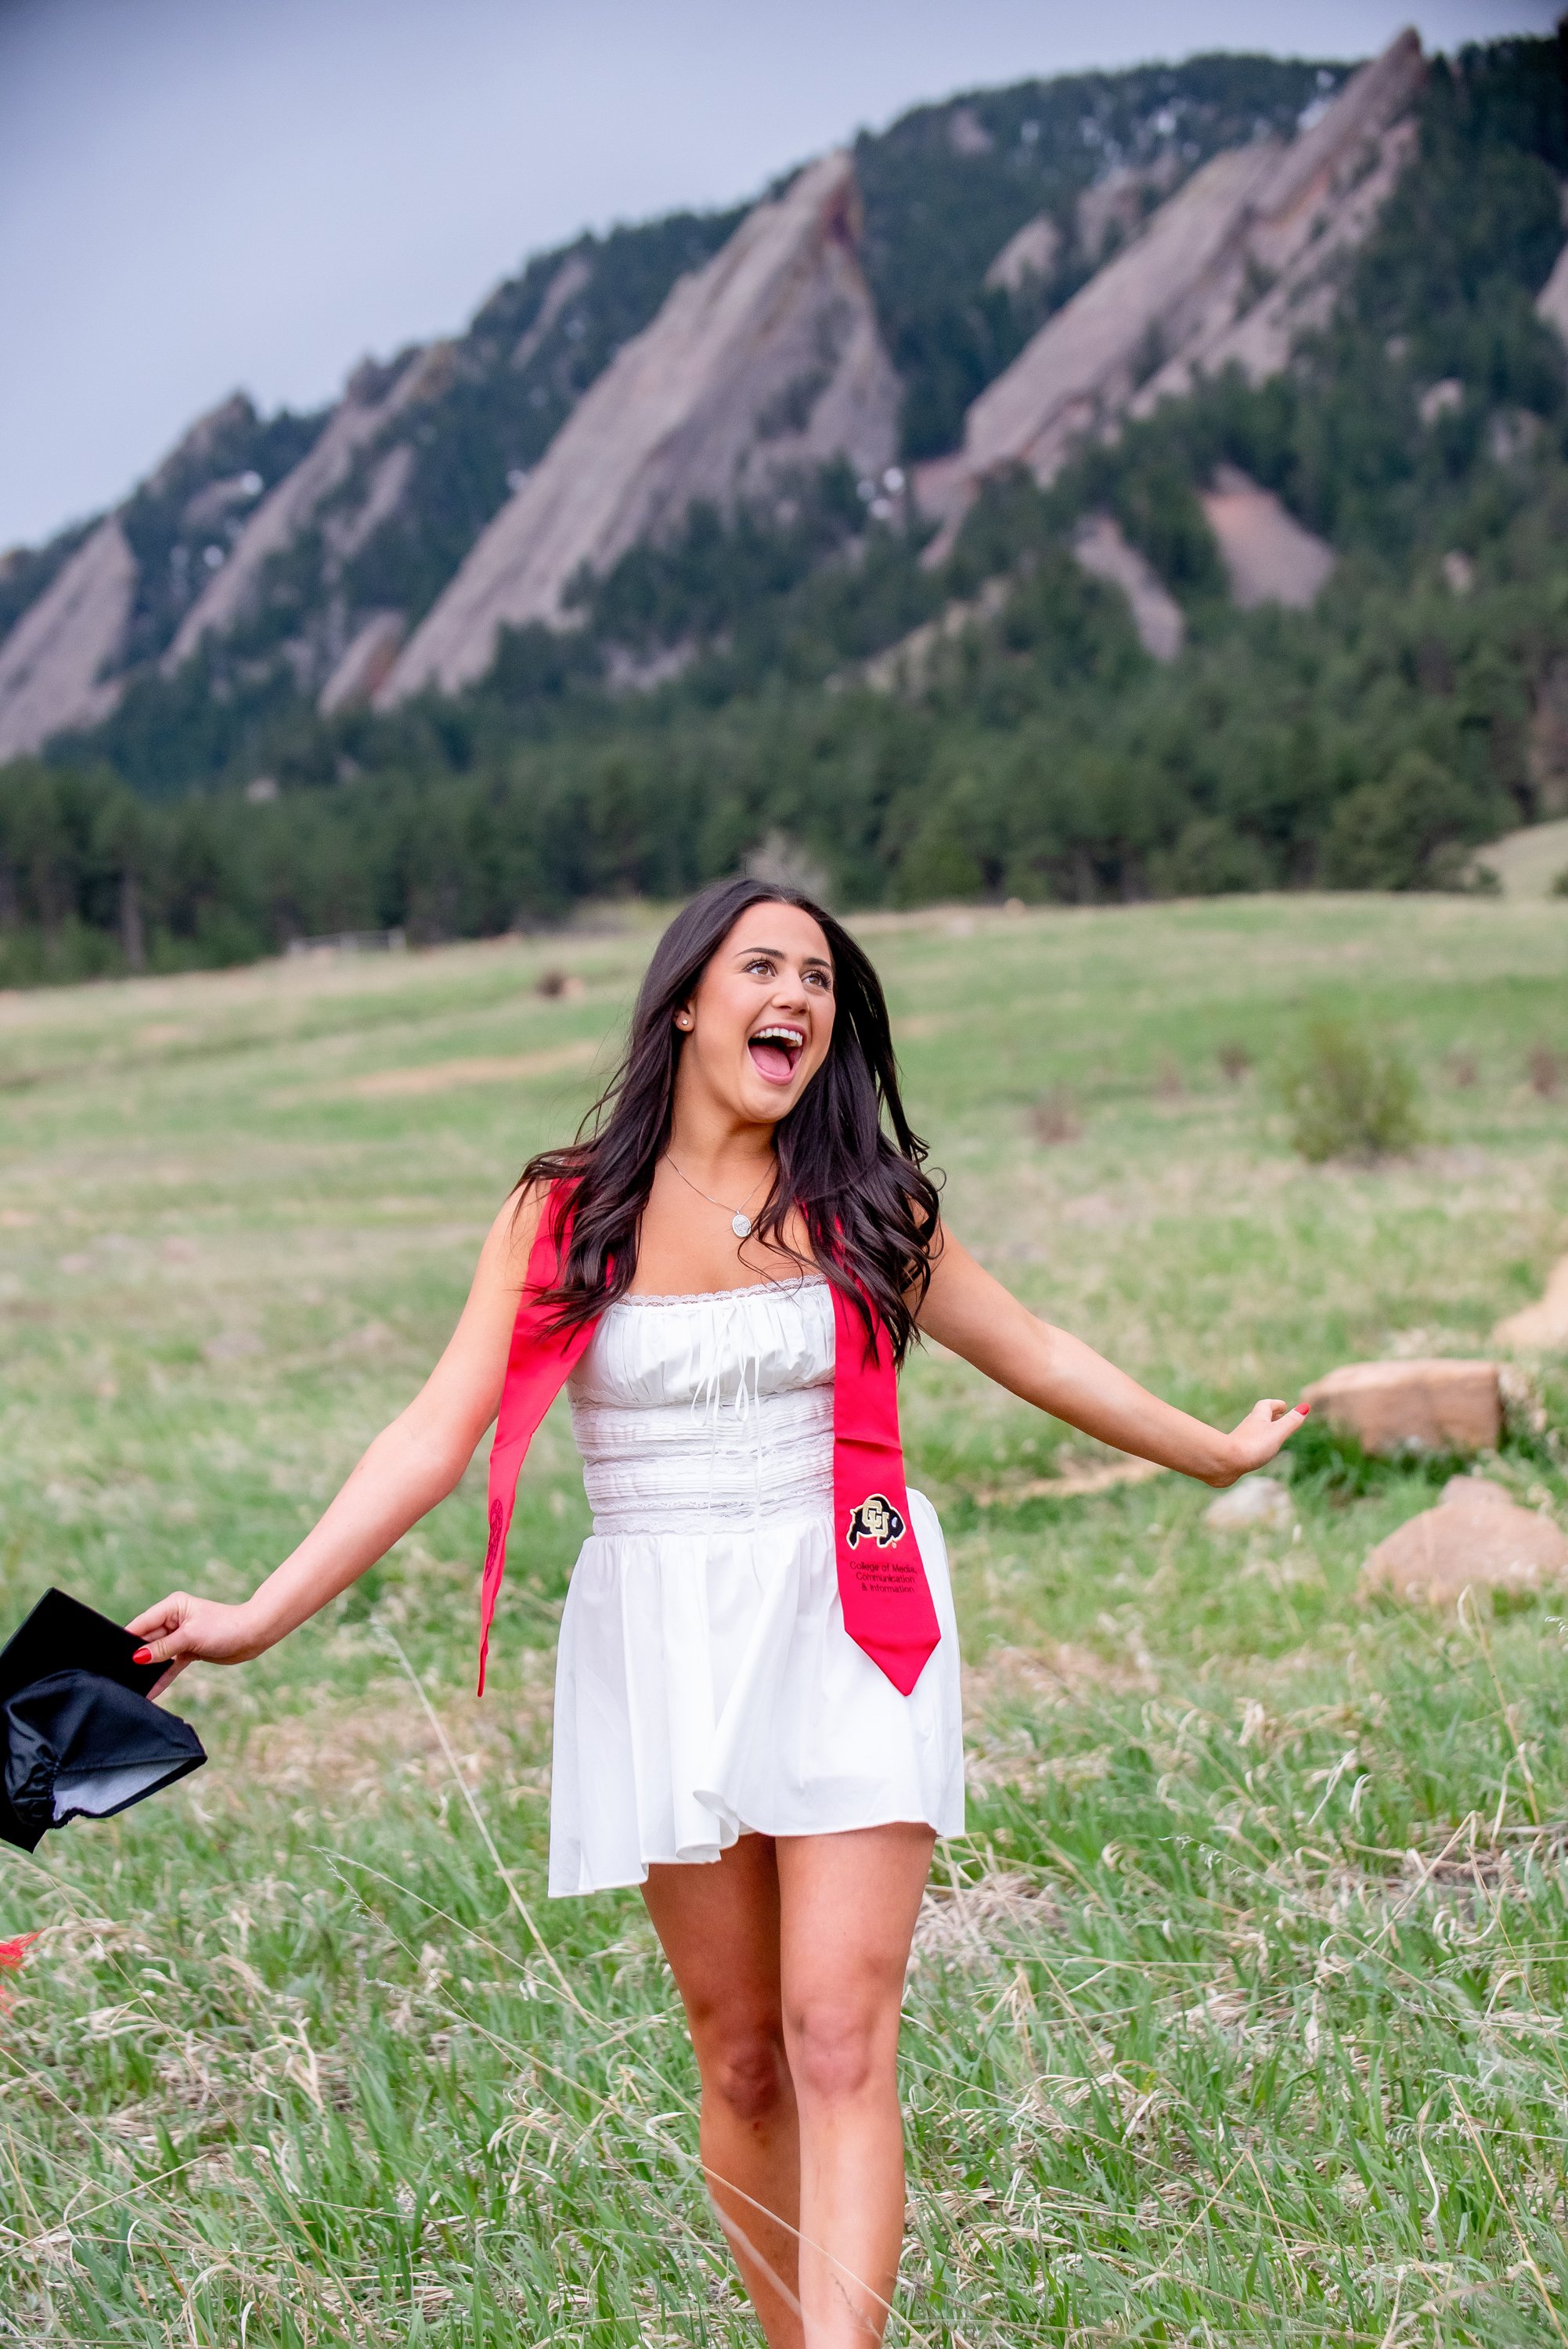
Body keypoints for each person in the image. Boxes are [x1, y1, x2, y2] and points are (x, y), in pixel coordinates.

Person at [129, 878, 1306, 2347]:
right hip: (662, 1633)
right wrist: (257, 1617)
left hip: (851, 1613)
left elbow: (1039, 1350)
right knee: (744, 2056)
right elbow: (431, 1440)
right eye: (766, 969)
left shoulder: (872, 1207)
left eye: (819, 980)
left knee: (835, 2029)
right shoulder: (566, 1212)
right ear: (689, 999)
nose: (799, 1001)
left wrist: (1212, 1446)